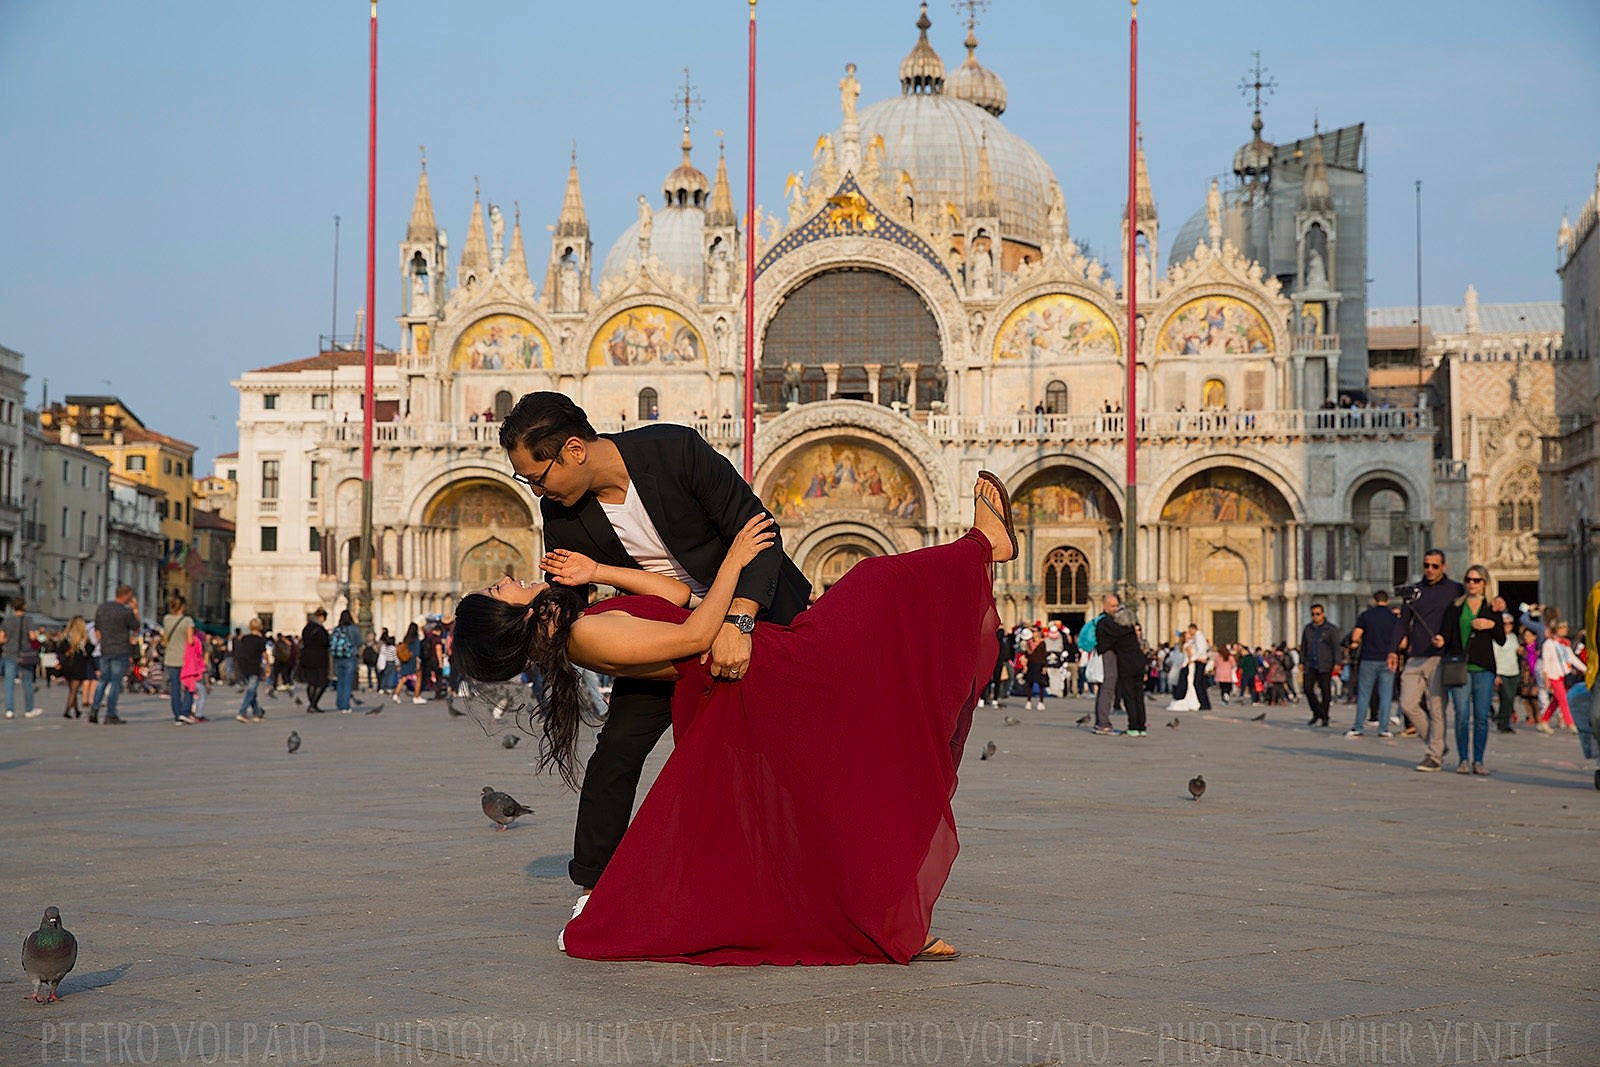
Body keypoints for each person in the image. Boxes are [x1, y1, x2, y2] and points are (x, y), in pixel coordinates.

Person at [452, 474, 1017, 964]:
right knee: (874, 585)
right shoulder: (587, 635)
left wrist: (599, 569)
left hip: (758, 664)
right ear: (510, 617)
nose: (507, 580)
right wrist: (736, 559)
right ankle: (983, 545)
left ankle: (891, 923)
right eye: (498, 589)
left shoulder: (584, 619)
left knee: (842, 798)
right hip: (766, 669)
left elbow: (673, 594)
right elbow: (697, 632)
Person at [497, 391, 811, 899]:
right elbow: (568, 600)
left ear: (574, 450)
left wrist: (741, 620)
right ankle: (595, 891)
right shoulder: (562, 517)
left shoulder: (674, 451)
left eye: (537, 477)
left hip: (761, 612)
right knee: (617, 751)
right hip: (668, 642)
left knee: (788, 753)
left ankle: (801, 874)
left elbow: (757, 532)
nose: (536, 491)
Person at [1397, 549, 1465, 772]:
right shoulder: (1414, 591)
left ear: (1443, 566)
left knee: (1437, 708)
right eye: (1426, 565)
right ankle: (1437, 743)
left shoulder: (1456, 589)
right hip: (1415, 656)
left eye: (1434, 566)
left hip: (1439, 657)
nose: (1430, 570)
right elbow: (1402, 622)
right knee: (1407, 704)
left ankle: (1434, 756)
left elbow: (1464, 618)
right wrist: (1391, 650)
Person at [1441, 564, 1504, 775]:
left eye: (1476, 580)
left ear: (1485, 583)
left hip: (1484, 668)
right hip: (1461, 667)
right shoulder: (1455, 606)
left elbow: (1502, 640)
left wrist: (1491, 625)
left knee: (1481, 716)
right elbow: (1446, 633)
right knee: (1461, 714)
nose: (1471, 584)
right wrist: (1440, 639)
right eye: (1468, 580)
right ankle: (1463, 760)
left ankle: (1478, 760)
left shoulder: (1492, 607)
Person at [1346, 591, 1399, 738]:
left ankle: (1358, 727)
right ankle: (1383, 729)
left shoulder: (1366, 616)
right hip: (1388, 659)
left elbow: (1356, 636)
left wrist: (1356, 643)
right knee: (1386, 695)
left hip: (1369, 658)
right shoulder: (1393, 618)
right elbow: (1402, 641)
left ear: (1374, 601)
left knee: (1364, 694)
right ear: (1387, 601)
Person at [1094, 592, 1148, 736]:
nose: (1115, 609)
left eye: (1117, 606)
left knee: (1129, 695)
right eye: (1113, 606)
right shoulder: (1127, 629)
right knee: (1138, 695)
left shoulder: (1111, 626)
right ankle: (1141, 727)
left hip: (1127, 664)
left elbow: (1106, 642)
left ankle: (1132, 727)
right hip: (1138, 662)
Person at [90, 585, 138, 725]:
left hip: (105, 650)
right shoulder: (126, 611)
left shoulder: (102, 608)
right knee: (115, 683)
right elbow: (136, 627)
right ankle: (110, 714)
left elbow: (97, 630)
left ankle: (94, 709)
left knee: (103, 681)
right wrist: (135, 609)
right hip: (120, 650)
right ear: (127, 595)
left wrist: (102, 643)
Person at [1, 599, 43, 719]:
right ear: (24, 606)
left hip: (9, 653)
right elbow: (32, 636)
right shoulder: (28, 619)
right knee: (27, 681)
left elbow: (1, 638)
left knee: (9, 682)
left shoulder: (7, 620)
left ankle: (9, 710)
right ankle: (29, 709)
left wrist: (9, 642)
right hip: (25, 654)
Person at [1300, 604, 1341, 727]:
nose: (1315, 617)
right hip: (1310, 663)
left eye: (1317, 614)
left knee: (1325, 691)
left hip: (1325, 663)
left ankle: (1324, 716)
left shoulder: (1331, 629)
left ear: (1323, 614)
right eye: (1313, 614)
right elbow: (1303, 647)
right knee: (1307, 689)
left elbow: (1336, 647)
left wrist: (1337, 663)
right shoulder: (1308, 629)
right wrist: (1301, 662)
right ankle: (1318, 712)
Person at [160, 595, 199, 725]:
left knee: (175, 688)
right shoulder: (187, 620)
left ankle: (177, 715)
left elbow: (165, 639)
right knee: (188, 686)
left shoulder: (166, 619)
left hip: (170, 658)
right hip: (185, 659)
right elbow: (190, 640)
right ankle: (185, 711)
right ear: (183, 606)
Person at [59, 617, 95, 719]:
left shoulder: (66, 637)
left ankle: (77, 710)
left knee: (72, 689)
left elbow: (60, 649)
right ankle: (67, 710)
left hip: (67, 665)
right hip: (79, 665)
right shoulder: (83, 638)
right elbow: (90, 651)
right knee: (74, 690)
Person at [234, 618, 268, 723]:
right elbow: (264, 654)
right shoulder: (261, 640)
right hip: (254, 667)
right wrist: (268, 667)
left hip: (244, 667)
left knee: (252, 691)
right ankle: (242, 712)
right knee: (251, 691)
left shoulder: (244, 638)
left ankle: (257, 713)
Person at [329, 609, 363, 713]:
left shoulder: (337, 629)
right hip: (350, 657)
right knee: (347, 682)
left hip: (338, 657)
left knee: (340, 681)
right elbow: (359, 642)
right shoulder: (354, 629)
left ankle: (339, 704)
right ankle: (345, 706)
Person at [1492, 612, 1521, 734]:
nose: (1508, 626)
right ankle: (1502, 722)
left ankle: (1505, 721)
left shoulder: (1513, 637)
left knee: (1511, 699)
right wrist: (1496, 675)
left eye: (1510, 624)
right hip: (1502, 671)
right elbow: (1494, 656)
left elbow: (1516, 651)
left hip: (1514, 671)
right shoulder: (1496, 639)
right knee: (1506, 697)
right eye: (1505, 624)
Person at [299, 608, 331, 713]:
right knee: (322, 681)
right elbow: (325, 643)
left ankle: (312, 704)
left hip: (307, 657)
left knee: (311, 682)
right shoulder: (320, 630)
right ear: (321, 617)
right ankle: (313, 704)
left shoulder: (306, 628)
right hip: (319, 658)